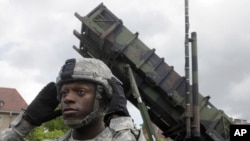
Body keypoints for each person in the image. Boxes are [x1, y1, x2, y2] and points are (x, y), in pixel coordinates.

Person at [0, 57, 145, 141]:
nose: (67, 98)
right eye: (63, 93)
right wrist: (25, 124)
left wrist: (120, 122)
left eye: (80, 91)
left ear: (105, 99)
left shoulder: (130, 137)